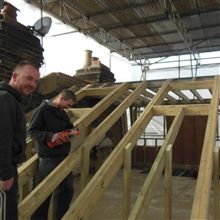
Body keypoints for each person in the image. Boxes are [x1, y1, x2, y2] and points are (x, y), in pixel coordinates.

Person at [28, 89, 77, 220]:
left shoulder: (62, 112)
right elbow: (32, 131)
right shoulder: (42, 110)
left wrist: (71, 131)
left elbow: (70, 126)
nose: (69, 107)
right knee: (44, 195)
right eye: (68, 104)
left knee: (67, 191)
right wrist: (50, 136)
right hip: (48, 159)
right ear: (61, 98)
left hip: (63, 158)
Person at [0, 60, 40, 220]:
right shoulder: (5, 99)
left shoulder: (12, 100)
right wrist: (5, 174)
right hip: (4, 171)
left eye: (36, 81)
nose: (33, 84)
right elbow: (2, 139)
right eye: (29, 78)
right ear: (15, 76)